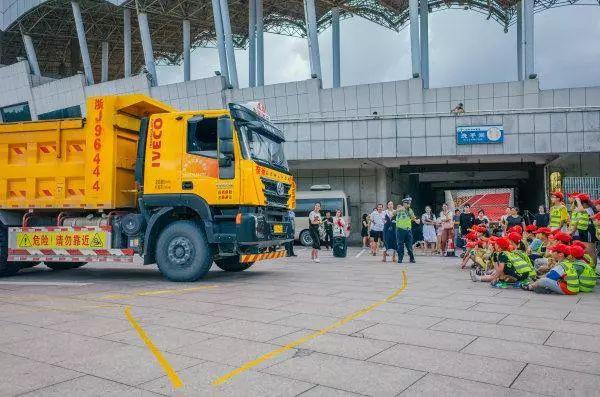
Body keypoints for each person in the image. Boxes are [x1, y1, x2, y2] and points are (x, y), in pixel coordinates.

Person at [396, 197, 419, 263]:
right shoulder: (399, 209)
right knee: (400, 245)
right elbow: (393, 213)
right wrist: (398, 210)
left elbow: (413, 217)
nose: (409, 204)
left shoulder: (410, 210)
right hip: (400, 230)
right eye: (407, 203)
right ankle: (400, 258)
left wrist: (416, 220)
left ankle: (412, 258)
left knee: (409, 245)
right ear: (404, 204)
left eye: (409, 203)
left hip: (408, 230)